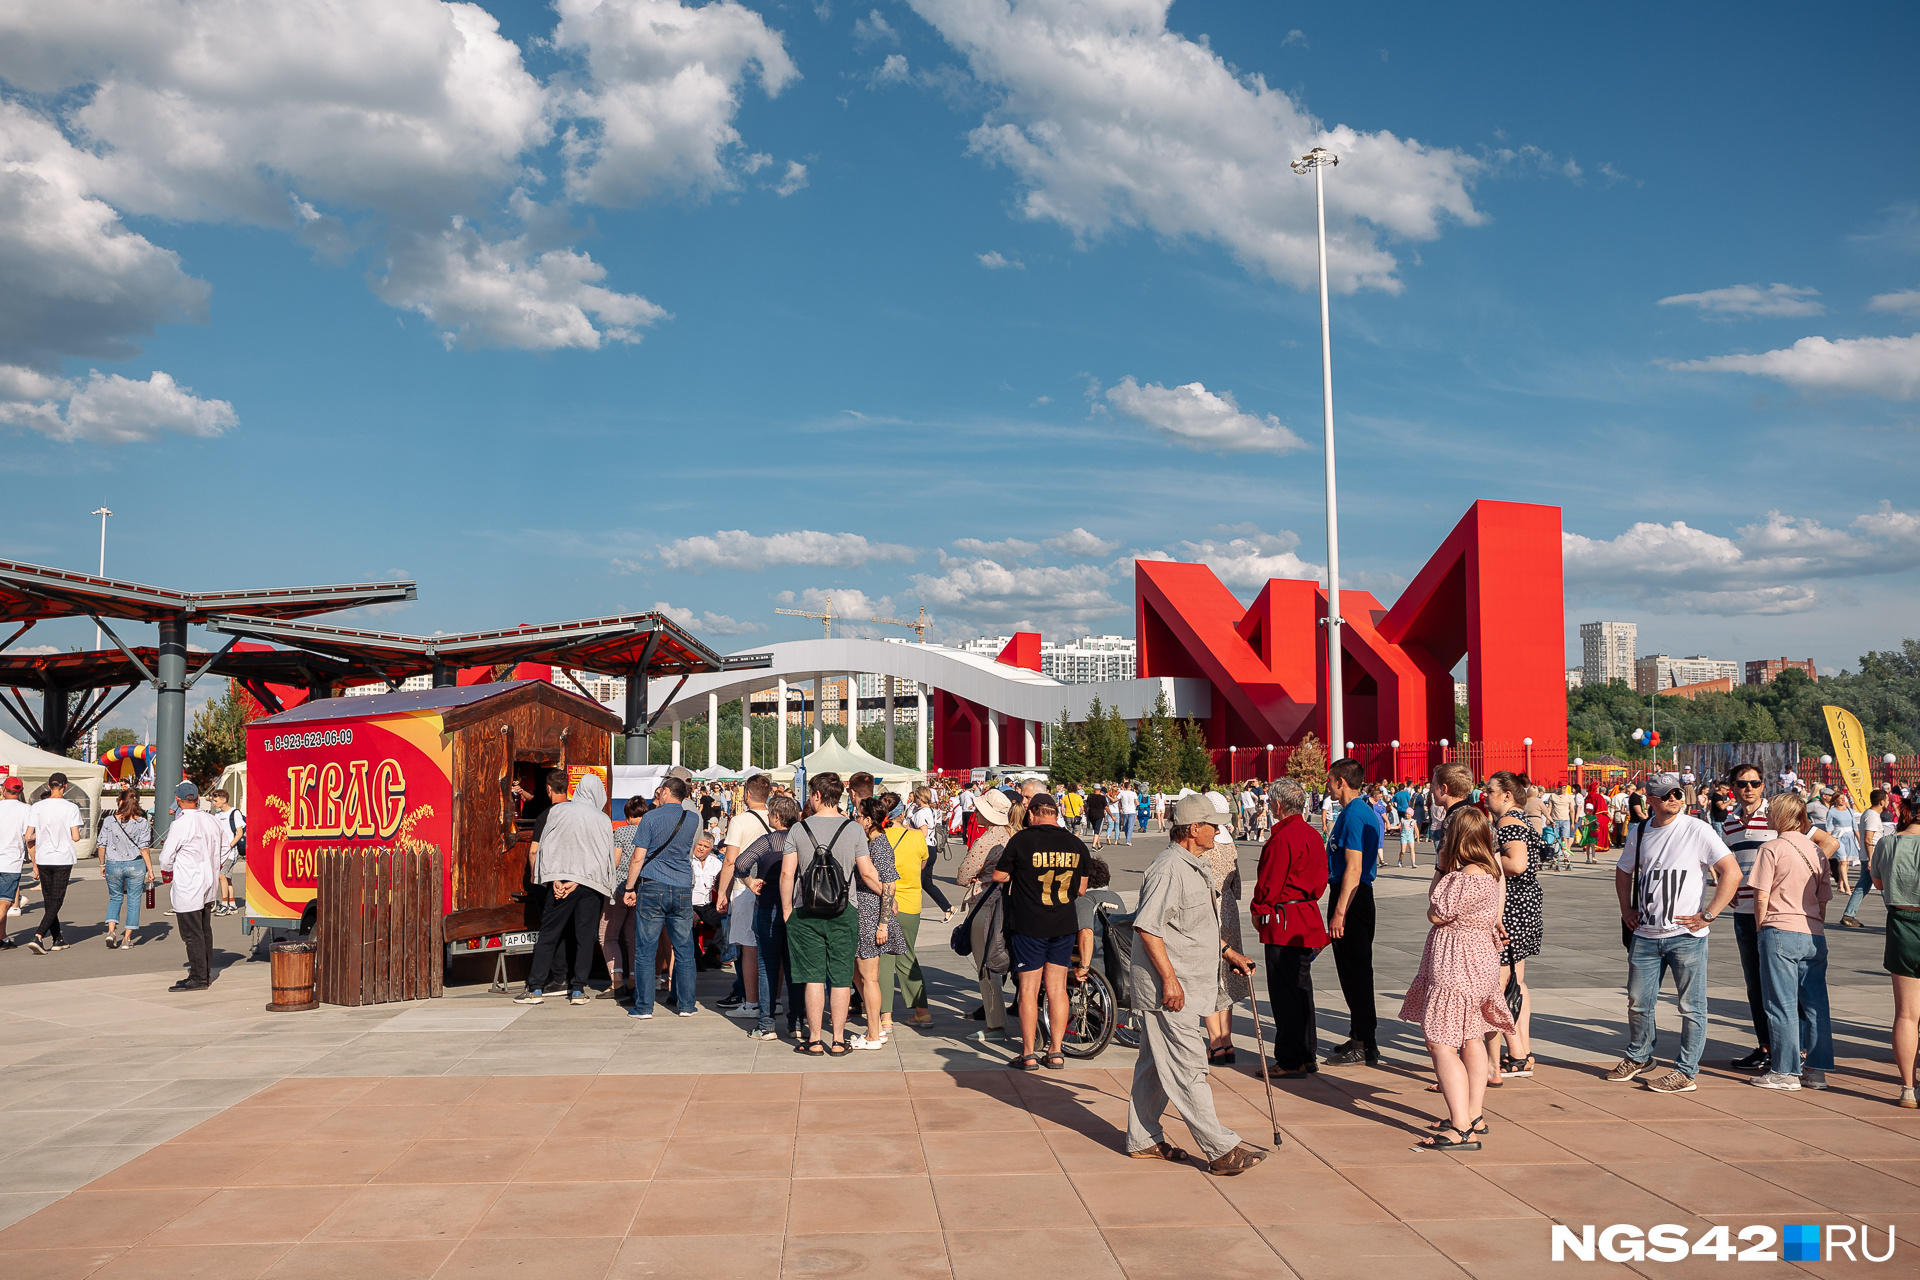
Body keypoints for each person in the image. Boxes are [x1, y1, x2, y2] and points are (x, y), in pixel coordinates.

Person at [1125, 793, 1265, 1175]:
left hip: (1187, 981)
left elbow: (1194, 926)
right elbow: (1148, 927)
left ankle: (1142, 1138)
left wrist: (1228, 952)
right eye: (1212, 824)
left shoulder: (1194, 865)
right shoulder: (1168, 868)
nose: (1218, 830)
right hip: (1170, 989)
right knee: (1189, 1068)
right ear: (1192, 829)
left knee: (1154, 1065)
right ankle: (1220, 1149)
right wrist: (1169, 981)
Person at [1608, 772, 1742, 1093]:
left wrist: (1708, 914)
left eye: (1678, 794)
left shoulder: (1697, 829)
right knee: (1638, 1001)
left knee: (1692, 1006)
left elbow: (1731, 872)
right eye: (1666, 795)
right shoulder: (1639, 831)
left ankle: (1685, 1071)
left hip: (1686, 936)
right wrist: (1626, 908)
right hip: (1645, 933)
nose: (1674, 799)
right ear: (1650, 800)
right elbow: (1624, 870)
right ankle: (1640, 1055)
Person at [1401, 807, 1513, 1151]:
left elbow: (1436, 912)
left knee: (1441, 1042)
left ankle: (1462, 1128)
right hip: (1480, 960)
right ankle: (1473, 1114)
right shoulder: (1491, 873)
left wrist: (1440, 867)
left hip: (1455, 962)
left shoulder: (1461, 877)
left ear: (1456, 838)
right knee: (1471, 1038)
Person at [781, 772, 876, 1056]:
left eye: (811, 793)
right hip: (844, 910)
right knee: (841, 977)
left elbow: (787, 873)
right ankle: (836, 1039)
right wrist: (887, 894)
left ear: (818, 796)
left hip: (805, 909)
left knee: (812, 977)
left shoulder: (799, 829)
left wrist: (787, 909)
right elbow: (866, 872)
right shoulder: (854, 829)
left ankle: (813, 1040)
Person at [993, 792, 1088, 1070]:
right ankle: (1056, 1051)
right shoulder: (1075, 843)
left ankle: (1028, 1053)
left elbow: (999, 875)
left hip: (1029, 924)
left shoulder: (1022, 840)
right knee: (1057, 988)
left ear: (1031, 813)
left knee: (1029, 989)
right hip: (1063, 922)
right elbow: (1081, 889)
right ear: (1056, 813)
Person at [1747, 792, 1834, 1091]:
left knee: (1780, 1003)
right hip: (1813, 933)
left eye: (1771, 811)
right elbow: (1823, 899)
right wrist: (1815, 923)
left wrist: (1761, 928)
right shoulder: (1816, 851)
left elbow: (1761, 895)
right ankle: (1816, 1070)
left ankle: (1785, 1071)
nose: (1767, 815)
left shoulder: (1771, 848)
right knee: (1815, 1005)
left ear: (1781, 815)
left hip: (1780, 928)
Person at [1250, 779, 1329, 1076]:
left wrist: (1259, 908)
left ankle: (1290, 1058)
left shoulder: (1283, 838)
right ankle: (1307, 1052)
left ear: (1278, 805)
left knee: (1285, 993)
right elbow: (1321, 878)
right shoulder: (1311, 833)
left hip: (1285, 918)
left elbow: (1270, 882)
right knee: (1301, 988)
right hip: (1305, 914)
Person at [517, 772, 615, 1006]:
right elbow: (604, 857)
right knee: (583, 938)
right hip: (589, 886)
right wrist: (578, 881)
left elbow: (545, 848)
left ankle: (536, 989)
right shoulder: (601, 819)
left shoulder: (557, 812)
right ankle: (579, 990)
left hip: (558, 883)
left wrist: (554, 881)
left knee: (549, 935)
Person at [622, 776, 703, 1020]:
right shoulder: (692, 818)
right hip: (681, 888)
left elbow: (638, 857)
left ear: (666, 791)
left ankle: (644, 1006)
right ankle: (687, 1005)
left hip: (653, 886)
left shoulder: (650, 818)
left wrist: (628, 888)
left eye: (660, 791)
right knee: (685, 949)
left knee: (646, 949)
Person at [1323, 758, 1382, 1067]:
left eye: (1329, 780)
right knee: (1354, 971)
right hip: (1355, 896)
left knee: (1355, 973)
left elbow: (1354, 867)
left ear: (1341, 782)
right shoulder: (1358, 812)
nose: (1327, 785)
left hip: (1352, 898)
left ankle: (1363, 1042)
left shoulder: (1355, 815)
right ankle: (1361, 1034)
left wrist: (1339, 913)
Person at [1487, 771, 1544, 1080]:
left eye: (1491, 790)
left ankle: (1517, 1055)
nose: (1486, 794)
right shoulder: (1521, 820)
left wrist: (1486, 859)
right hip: (1525, 907)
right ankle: (1522, 1050)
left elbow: (1517, 864)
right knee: (1516, 982)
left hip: (1512, 910)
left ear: (1506, 795)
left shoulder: (1508, 824)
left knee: (1502, 984)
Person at [1720, 763, 1778, 1073]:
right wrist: (1727, 891)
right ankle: (1765, 1048)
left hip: (1772, 914)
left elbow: (1824, 843)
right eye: (1742, 783)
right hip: (1742, 914)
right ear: (1734, 787)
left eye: (1755, 783)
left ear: (1763, 786)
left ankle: (1797, 1049)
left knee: (1780, 983)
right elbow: (1723, 863)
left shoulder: (1776, 817)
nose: (1749, 788)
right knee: (1755, 985)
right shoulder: (1729, 824)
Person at [1869, 799, 1920, 1106]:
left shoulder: (1888, 843)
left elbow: (1877, 882)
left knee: (1906, 1014)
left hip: (1902, 923)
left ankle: (1908, 1089)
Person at [739, 792, 800, 1039]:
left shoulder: (768, 841)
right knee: (796, 967)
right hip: (797, 909)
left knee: (768, 966)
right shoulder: (802, 839)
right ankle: (796, 1023)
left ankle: (766, 1025)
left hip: (767, 907)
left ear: (775, 816)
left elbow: (741, 863)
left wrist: (750, 882)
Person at [958, 788, 1016, 1041]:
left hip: (986, 904)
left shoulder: (986, 840)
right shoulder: (1014, 835)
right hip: (1012, 903)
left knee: (986, 965)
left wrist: (975, 876)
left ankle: (994, 1024)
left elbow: (962, 875)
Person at [717, 775, 778, 1016]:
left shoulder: (740, 821)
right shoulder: (778, 817)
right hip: (772, 887)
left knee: (749, 947)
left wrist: (723, 892)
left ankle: (752, 1003)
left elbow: (731, 860)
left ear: (747, 795)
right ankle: (775, 1000)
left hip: (745, 887)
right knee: (773, 947)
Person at [157, 781, 226, 990]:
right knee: (204, 930)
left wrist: (167, 870)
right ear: (197, 798)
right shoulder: (211, 820)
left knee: (191, 933)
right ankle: (203, 972)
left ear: (178, 800)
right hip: (208, 881)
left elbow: (166, 856)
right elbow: (224, 849)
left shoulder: (180, 824)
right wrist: (214, 865)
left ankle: (198, 977)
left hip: (189, 882)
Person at [850, 795, 905, 1050]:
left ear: (869, 820)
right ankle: (875, 1028)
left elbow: (889, 885)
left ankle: (874, 1033)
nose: (855, 818)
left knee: (869, 977)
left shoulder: (879, 844)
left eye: (859, 815)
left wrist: (882, 925)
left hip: (871, 914)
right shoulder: (873, 842)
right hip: (867, 912)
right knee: (860, 975)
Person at [1201, 790, 1250, 1066]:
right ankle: (1228, 1042)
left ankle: (1215, 1043)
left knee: (1208, 975)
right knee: (1228, 976)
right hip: (1229, 909)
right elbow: (1237, 883)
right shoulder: (1230, 843)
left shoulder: (1205, 844)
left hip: (1209, 908)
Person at [882, 792, 937, 1027]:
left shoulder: (877, 837)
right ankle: (922, 1011)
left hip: (884, 902)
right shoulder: (916, 838)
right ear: (903, 812)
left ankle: (885, 1017)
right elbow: (922, 866)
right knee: (907, 957)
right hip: (911, 904)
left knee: (883, 960)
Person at [24, 772, 84, 954]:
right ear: (65, 786)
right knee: (57, 899)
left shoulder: (37, 807)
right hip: (62, 857)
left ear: (49, 786)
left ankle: (58, 938)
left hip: (43, 857)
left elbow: (28, 836)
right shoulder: (71, 807)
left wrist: (41, 834)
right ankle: (39, 935)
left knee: (49, 899)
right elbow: (75, 836)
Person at [600, 796, 647, 1000]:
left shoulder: (621, 831)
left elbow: (615, 861)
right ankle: (634, 980)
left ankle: (616, 981)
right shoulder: (650, 832)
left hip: (620, 889)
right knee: (632, 938)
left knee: (607, 936)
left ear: (628, 816)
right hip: (642, 890)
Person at [99, 789, 154, 949]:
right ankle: (127, 939)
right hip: (135, 864)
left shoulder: (109, 821)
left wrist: (102, 864)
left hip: (113, 864)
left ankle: (111, 932)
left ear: (120, 802)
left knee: (115, 898)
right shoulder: (142, 822)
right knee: (134, 900)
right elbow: (144, 848)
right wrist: (150, 869)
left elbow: (101, 845)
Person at [1846, 791, 1892, 928]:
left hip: (1871, 856)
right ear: (1881, 802)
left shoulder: (1871, 814)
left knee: (1862, 886)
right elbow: (1868, 838)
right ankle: (1895, 916)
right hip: (1873, 856)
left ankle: (1848, 914)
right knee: (1885, 886)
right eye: (1887, 799)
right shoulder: (1872, 816)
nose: (1888, 802)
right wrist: (1872, 859)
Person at [0, 776, 32, 948]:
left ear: (4, 790)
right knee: (5, 902)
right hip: (11, 861)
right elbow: (29, 839)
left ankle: (3, 937)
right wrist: (35, 864)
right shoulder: (26, 809)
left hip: (7, 860)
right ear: (19, 792)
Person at [207, 787, 245, 917]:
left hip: (230, 852)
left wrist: (230, 845)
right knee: (227, 878)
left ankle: (224, 904)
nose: (214, 803)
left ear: (223, 800)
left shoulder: (235, 813)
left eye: (216, 800)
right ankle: (232, 905)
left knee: (221, 876)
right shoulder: (217, 815)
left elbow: (240, 833)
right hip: (220, 852)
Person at [1083, 785, 1108, 851]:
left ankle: (1099, 845)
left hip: (1092, 814)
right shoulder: (1102, 797)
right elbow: (1106, 807)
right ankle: (1094, 846)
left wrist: (1087, 815)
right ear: (1100, 789)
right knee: (1097, 831)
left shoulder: (1090, 796)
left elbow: (1087, 806)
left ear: (1094, 789)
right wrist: (1111, 815)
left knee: (1096, 830)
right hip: (1099, 815)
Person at [1116, 780, 1138, 845]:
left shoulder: (1122, 793)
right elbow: (1137, 802)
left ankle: (1127, 838)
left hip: (1125, 810)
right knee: (1130, 825)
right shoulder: (1133, 793)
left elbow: (1118, 800)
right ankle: (1128, 840)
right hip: (1132, 810)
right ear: (1130, 787)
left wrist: (1120, 807)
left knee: (1125, 825)